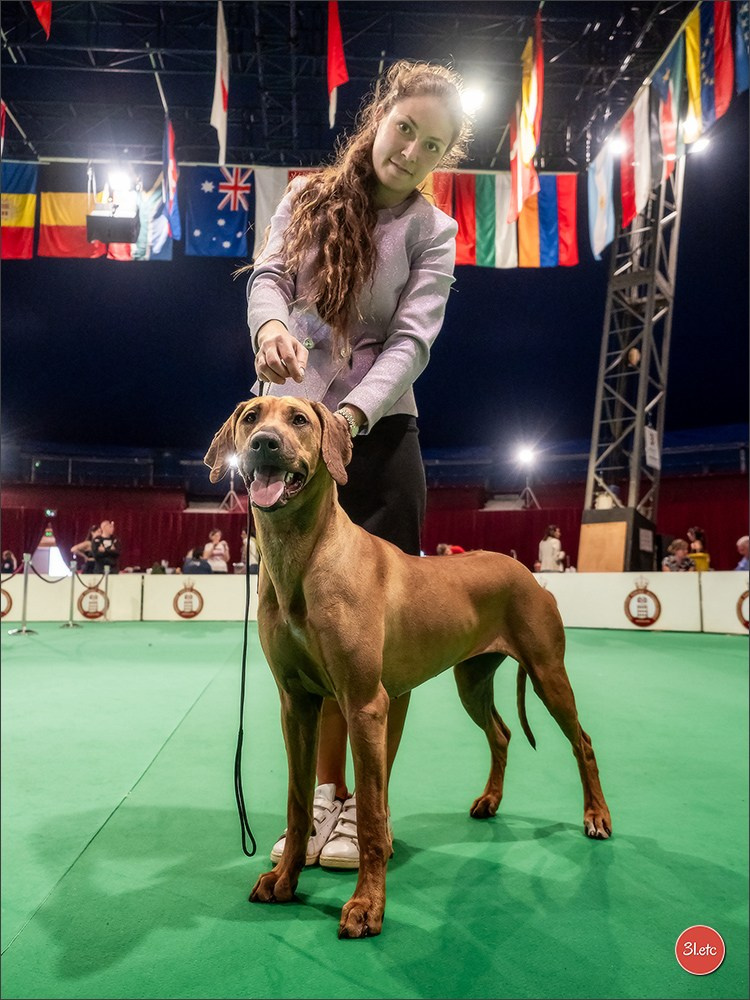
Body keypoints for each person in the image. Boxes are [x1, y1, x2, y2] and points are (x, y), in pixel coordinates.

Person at [242, 59, 472, 870]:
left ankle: (360, 817)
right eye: (405, 127)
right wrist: (269, 329)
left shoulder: (432, 232)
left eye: (433, 145)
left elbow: (410, 342)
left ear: (444, 159)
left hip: (375, 442)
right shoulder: (305, 197)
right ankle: (322, 804)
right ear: (380, 117)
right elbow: (268, 277)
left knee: (385, 648)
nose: (411, 150)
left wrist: (348, 417)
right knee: (305, 643)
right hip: (296, 442)